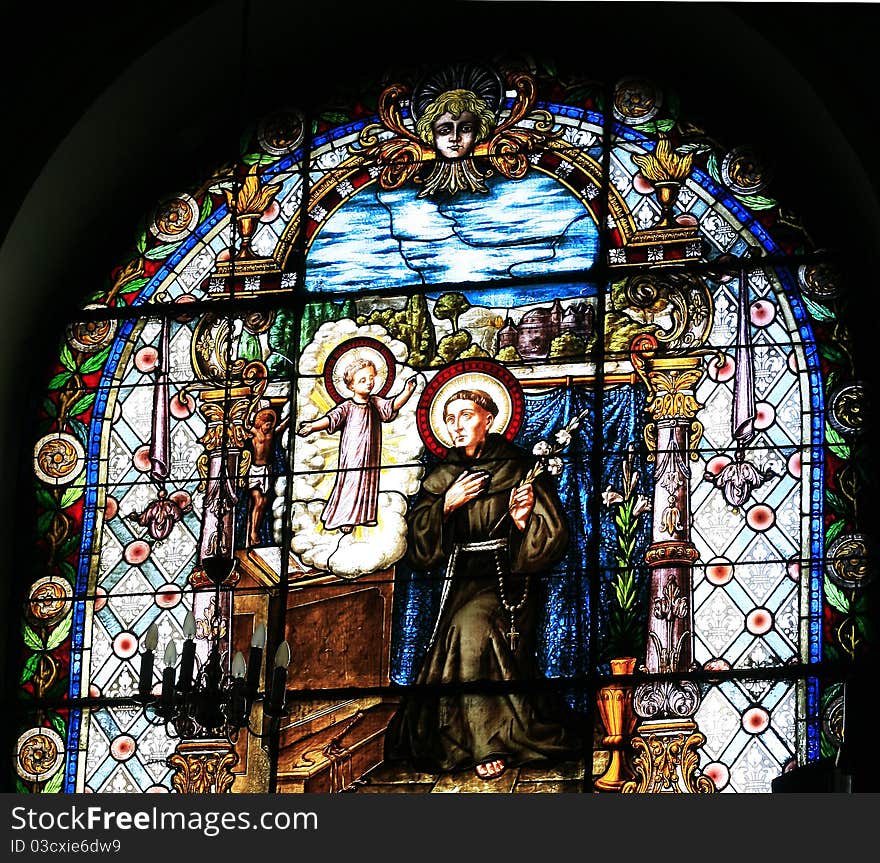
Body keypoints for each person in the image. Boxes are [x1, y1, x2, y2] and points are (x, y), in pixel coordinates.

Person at [384, 388, 581, 780]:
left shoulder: (518, 467)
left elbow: (554, 535)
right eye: (451, 418)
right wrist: (446, 506)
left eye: (467, 416)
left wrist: (523, 519)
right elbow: (420, 546)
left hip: (509, 578)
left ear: (489, 420)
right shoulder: (441, 477)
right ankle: (465, 738)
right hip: (460, 577)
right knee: (457, 639)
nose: (457, 426)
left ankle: (488, 741)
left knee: (471, 631)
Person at [297, 358, 417, 533]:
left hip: (371, 454)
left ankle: (365, 516)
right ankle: (345, 517)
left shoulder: (375, 402)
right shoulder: (347, 407)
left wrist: (407, 391)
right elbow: (330, 419)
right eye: (362, 380)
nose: (369, 383)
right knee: (351, 482)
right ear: (351, 386)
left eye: (371, 378)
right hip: (353, 455)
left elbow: (392, 405)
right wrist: (312, 426)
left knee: (369, 481)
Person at [414, 89, 497, 196]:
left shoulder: (494, 176)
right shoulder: (416, 177)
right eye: (444, 131)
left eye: (466, 129)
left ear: (479, 132)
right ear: (431, 134)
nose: (455, 138)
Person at [245, 404, 289, 547]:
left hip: (267, 471)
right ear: (260, 423)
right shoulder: (255, 433)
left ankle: (255, 529)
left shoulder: (271, 433)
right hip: (255, 470)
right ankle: (253, 533)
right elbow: (244, 424)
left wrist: (291, 414)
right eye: (266, 424)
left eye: (270, 424)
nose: (268, 427)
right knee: (257, 501)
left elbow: (282, 427)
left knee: (263, 503)